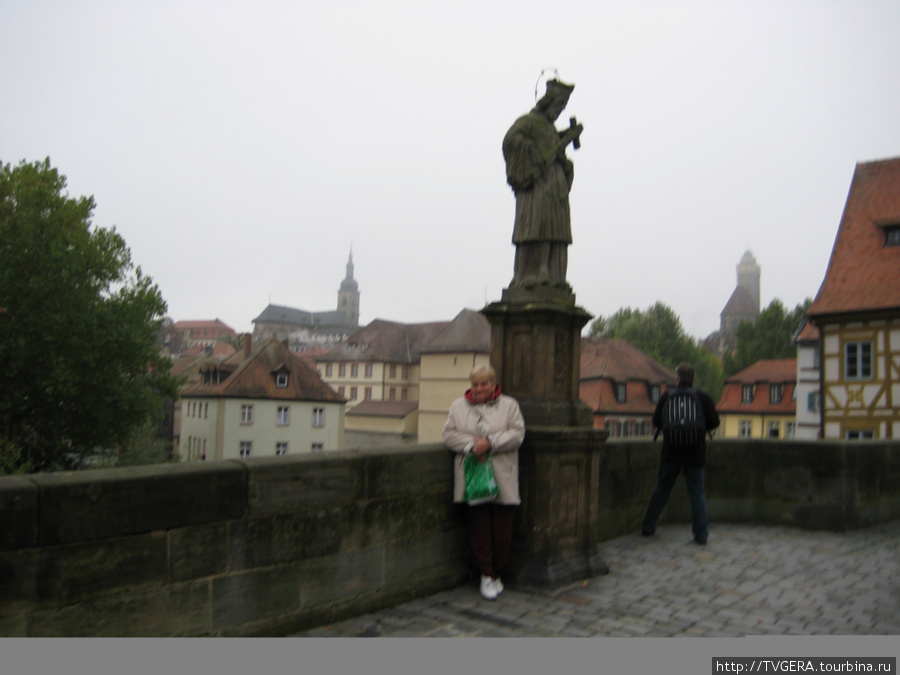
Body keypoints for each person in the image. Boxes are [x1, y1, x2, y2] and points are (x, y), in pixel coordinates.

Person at [443, 364, 525, 600]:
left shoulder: (509, 405)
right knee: (479, 529)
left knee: (503, 530)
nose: (478, 389)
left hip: (502, 475)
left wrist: (491, 442)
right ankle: (486, 575)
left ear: (493, 384)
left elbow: (518, 434)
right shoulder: (458, 407)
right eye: (475, 384)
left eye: (483, 384)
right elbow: (448, 435)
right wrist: (472, 446)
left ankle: (496, 572)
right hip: (473, 475)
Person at [502, 78, 583, 289]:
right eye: (558, 106)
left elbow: (555, 146)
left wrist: (565, 140)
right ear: (548, 101)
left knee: (556, 231)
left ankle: (554, 276)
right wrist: (534, 153)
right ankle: (529, 274)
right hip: (538, 187)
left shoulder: (551, 129)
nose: (559, 112)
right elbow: (511, 141)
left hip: (556, 189)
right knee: (537, 228)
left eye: (562, 108)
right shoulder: (529, 122)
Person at [642, 363, 720, 544]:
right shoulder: (702, 397)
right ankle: (701, 534)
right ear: (692, 379)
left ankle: (648, 525)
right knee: (697, 494)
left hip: (671, 451)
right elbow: (715, 422)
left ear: (676, 378)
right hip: (696, 452)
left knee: (662, 489)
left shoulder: (667, 396)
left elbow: (656, 421)